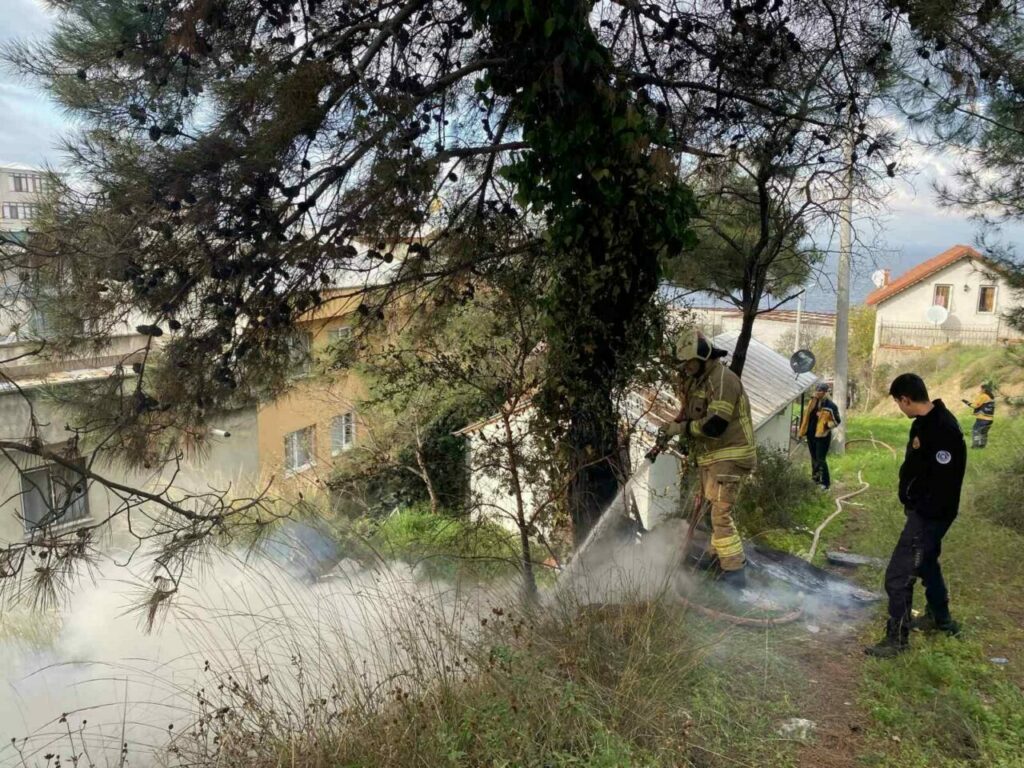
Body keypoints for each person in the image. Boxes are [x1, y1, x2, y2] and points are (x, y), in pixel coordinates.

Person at [865, 373, 966, 659]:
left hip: (930, 516)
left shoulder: (942, 429)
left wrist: (920, 512)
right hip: (924, 513)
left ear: (905, 399)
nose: (899, 408)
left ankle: (896, 639)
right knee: (927, 562)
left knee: (898, 576)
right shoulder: (924, 423)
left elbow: (944, 483)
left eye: (898, 403)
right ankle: (940, 619)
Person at [660, 329, 757, 588]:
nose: (687, 368)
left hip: (730, 456)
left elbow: (715, 425)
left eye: (690, 363)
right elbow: (689, 413)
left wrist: (682, 428)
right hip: (713, 459)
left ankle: (734, 574)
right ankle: (719, 558)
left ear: (703, 357)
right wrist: (672, 426)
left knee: (720, 515)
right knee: (710, 512)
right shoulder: (701, 381)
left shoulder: (722, 379)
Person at [798, 382, 842, 489]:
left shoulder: (831, 406)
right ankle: (815, 480)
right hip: (811, 434)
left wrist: (825, 426)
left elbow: (837, 421)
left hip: (822, 436)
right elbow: (806, 416)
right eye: (817, 390)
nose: (818, 393)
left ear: (826, 392)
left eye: (821, 391)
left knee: (820, 459)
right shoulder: (812, 401)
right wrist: (803, 431)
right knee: (814, 459)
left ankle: (825, 483)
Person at [962, 382, 995, 448]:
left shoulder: (983, 396)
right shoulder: (991, 398)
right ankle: (982, 446)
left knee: (976, 430)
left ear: (984, 389)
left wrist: (967, 402)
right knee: (984, 433)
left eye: (981, 389)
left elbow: (975, 406)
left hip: (982, 419)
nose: (980, 390)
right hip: (990, 419)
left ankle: (975, 446)